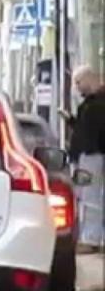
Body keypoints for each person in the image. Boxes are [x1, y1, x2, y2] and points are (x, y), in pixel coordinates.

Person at [70, 65, 105, 252]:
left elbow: (90, 131)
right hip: (88, 154)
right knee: (88, 196)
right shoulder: (90, 104)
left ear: (89, 80)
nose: (77, 87)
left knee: (89, 197)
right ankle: (93, 238)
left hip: (91, 155)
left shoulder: (95, 104)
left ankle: (91, 239)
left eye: (79, 82)